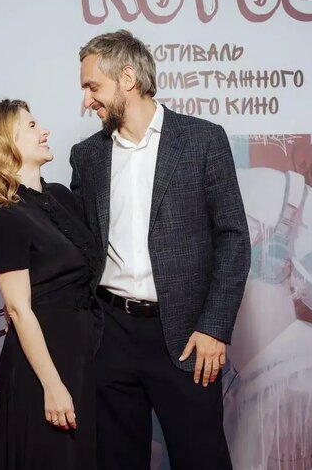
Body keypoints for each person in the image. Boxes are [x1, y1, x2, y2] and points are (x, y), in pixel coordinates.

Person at [70, 30, 251, 470]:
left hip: (187, 337)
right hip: (110, 334)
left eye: (93, 86)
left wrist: (214, 328)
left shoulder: (203, 140)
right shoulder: (87, 156)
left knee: (201, 460)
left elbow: (233, 238)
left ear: (127, 78)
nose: (86, 101)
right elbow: (79, 250)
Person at [0, 99, 99, 470]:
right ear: (5, 143)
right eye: (33, 126)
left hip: (84, 352)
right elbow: (19, 310)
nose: (45, 131)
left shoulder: (62, 197)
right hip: (44, 362)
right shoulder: (6, 218)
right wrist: (52, 386)